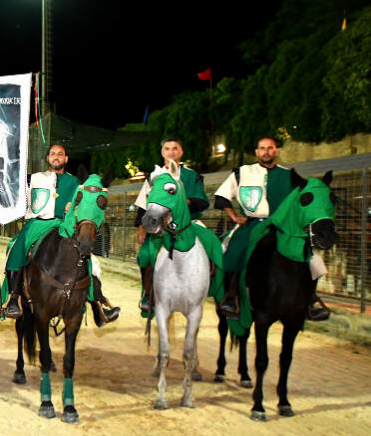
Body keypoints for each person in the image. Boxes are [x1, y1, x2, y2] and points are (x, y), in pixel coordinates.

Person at [0, 144, 119, 326]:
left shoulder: (76, 183)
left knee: (89, 259)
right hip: (37, 223)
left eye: (60, 154)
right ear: (47, 158)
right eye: (53, 154)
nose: (56, 157)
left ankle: (97, 304)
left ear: (66, 159)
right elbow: (14, 194)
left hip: (65, 224)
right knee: (17, 247)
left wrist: (74, 208)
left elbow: (85, 203)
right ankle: (14, 297)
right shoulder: (33, 178)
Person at [214, 136, 328, 320]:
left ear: (276, 151)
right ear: (257, 151)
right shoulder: (241, 172)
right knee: (231, 251)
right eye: (262, 148)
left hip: (281, 227)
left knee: (312, 257)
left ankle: (310, 299)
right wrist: (234, 216)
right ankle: (231, 296)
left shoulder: (289, 175)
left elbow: (300, 204)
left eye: (270, 148)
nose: (266, 151)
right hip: (251, 225)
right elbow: (222, 197)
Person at [134, 138, 210, 311]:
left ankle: (217, 290)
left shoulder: (192, 176)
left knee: (214, 248)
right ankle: (149, 293)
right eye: (167, 148)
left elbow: (202, 202)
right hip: (159, 227)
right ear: (162, 153)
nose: (171, 152)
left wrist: (182, 201)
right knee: (145, 254)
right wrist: (140, 227)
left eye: (175, 148)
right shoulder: (153, 176)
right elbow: (142, 204)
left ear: (181, 152)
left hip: (188, 224)